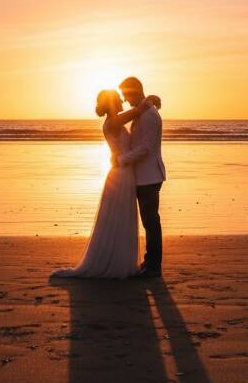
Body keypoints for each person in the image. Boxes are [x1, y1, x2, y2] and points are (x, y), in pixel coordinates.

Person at [50, 89, 158, 278]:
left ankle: (120, 259)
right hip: (121, 175)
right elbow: (138, 110)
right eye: (118, 99)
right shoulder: (113, 121)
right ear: (112, 103)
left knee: (120, 218)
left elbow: (137, 112)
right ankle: (116, 262)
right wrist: (150, 99)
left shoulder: (113, 120)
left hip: (123, 173)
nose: (122, 101)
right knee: (119, 217)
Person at [116, 76, 166, 278]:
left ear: (135, 91)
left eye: (126, 95)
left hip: (150, 176)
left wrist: (122, 160)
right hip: (142, 176)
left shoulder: (149, 115)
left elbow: (146, 148)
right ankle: (149, 261)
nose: (125, 100)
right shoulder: (142, 111)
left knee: (151, 221)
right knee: (148, 220)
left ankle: (153, 266)